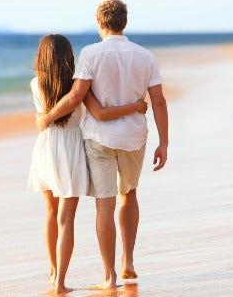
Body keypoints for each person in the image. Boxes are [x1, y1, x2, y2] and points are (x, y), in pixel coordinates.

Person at [36, 0, 169, 289]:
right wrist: (164, 143)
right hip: (134, 137)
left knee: (104, 205)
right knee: (129, 194)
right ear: (124, 22)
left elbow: (75, 97)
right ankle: (128, 261)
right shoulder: (145, 56)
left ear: (100, 23)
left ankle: (109, 277)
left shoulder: (91, 54)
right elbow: (158, 101)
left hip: (99, 138)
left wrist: (46, 118)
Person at [27, 34, 148, 294]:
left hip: (45, 148)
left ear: (41, 57)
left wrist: (45, 118)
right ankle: (60, 282)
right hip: (70, 149)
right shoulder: (77, 86)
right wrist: (136, 106)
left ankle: (52, 271)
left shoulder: (35, 83)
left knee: (51, 212)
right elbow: (100, 114)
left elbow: (41, 117)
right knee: (66, 218)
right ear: (68, 56)